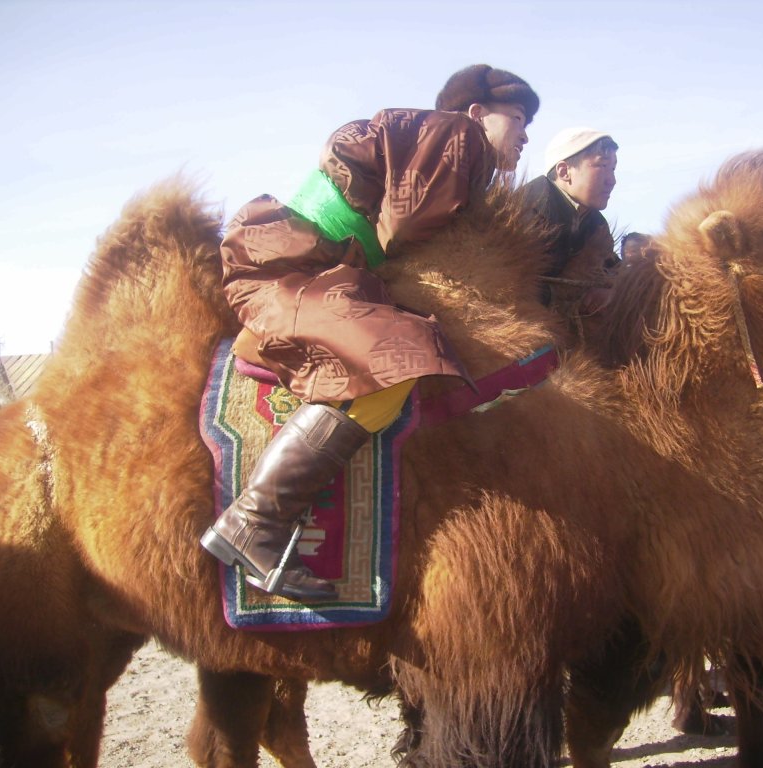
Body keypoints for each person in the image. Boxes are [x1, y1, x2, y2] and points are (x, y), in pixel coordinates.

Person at [200, 64, 540, 602]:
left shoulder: (450, 145)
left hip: (308, 264)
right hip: (288, 268)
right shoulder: (460, 136)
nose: (525, 136)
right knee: (391, 365)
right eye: (518, 119)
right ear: (478, 114)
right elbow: (403, 228)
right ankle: (254, 521)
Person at [520, 127, 619, 309]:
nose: (612, 180)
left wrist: (612, 289)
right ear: (565, 172)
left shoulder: (596, 225)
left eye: (613, 169)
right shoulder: (527, 210)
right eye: (602, 166)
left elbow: (614, 270)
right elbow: (512, 286)